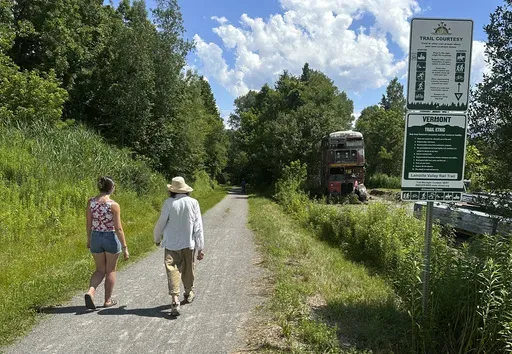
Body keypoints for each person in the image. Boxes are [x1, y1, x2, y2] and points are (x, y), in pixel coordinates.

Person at [154, 176, 205, 316]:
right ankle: (188, 292)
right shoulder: (193, 202)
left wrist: (157, 238)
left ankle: (175, 299)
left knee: (172, 270)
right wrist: (200, 247)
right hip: (188, 243)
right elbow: (198, 226)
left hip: (171, 244)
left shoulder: (168, 203)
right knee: (189, 268)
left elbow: (161, 222)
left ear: (172, 190)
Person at [84, 176, 129, 310]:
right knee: (110, 270)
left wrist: (89, 239)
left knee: (99, 270)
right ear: (111, 188)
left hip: (96, 236)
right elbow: (118, 228)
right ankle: (107, 300)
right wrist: (125, 247)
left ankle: (91, 291)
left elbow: (88, 223)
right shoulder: (113, 205)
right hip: (110, 237)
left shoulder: (91, 202)